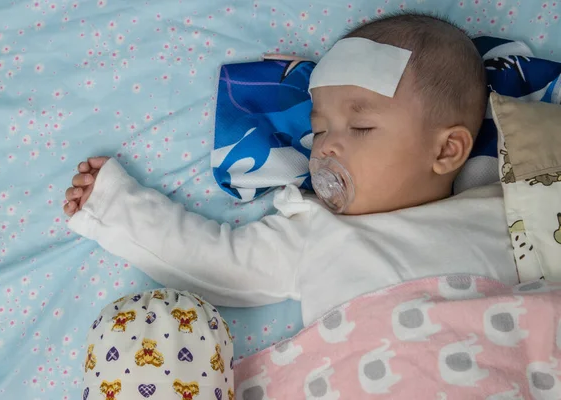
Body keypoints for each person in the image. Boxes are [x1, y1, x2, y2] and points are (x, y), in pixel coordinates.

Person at [66, 13, 517, 398]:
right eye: (320, 131)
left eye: (360, 126)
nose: (328, 149)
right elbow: (216, 261)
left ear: (446, 151)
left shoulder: (511, 209)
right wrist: (115, 205)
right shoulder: (314, 231)